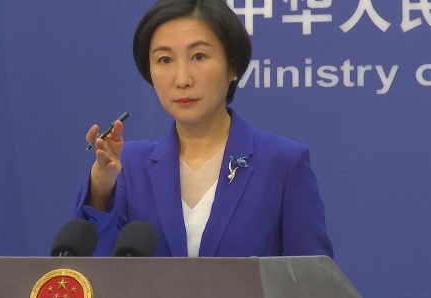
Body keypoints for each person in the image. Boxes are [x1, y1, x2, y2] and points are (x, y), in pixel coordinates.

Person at [74, 0, 333, 258]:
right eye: (165, 60)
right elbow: (98, 276)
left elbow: (313, 282)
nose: (182, 79)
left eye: (199, 56)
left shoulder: (282, 163)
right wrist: (100, 187)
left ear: (233, 66)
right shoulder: (129, 166)